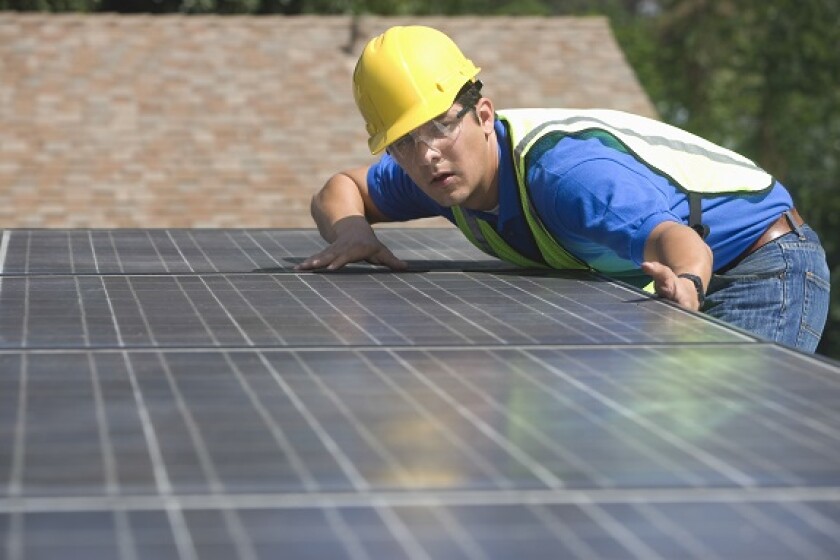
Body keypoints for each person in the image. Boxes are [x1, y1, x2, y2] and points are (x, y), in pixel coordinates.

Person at [298, 25, 830, 353]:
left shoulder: (566, 180)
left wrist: (687, 284)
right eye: (403, 143)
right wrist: (351, 231)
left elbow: (680, 243)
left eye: (440, 125)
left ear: (484, 115)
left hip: (760, 265)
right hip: (682, 277)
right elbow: (340, 187)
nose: (427, 152)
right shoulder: (435, 175)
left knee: (725, 443)